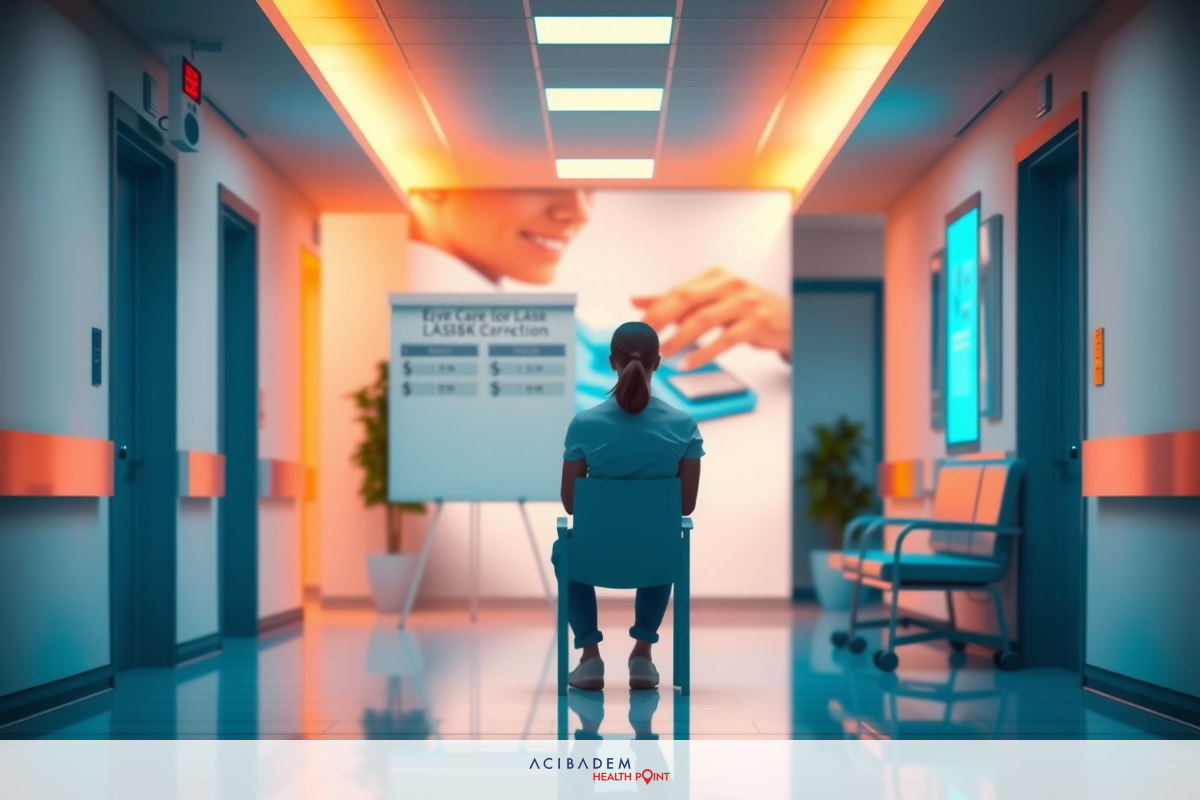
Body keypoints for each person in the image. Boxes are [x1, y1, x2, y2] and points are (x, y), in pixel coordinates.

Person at [553, 321, 704, 691]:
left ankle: (589, 657)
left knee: (564, 550)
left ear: (610, 362)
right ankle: (642, 655)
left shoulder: (584, 424)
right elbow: (685, 505)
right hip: (656, 558)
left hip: (595, 558)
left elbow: (570, 504)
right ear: (658, 362)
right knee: (667, 539)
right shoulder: (684, 425)